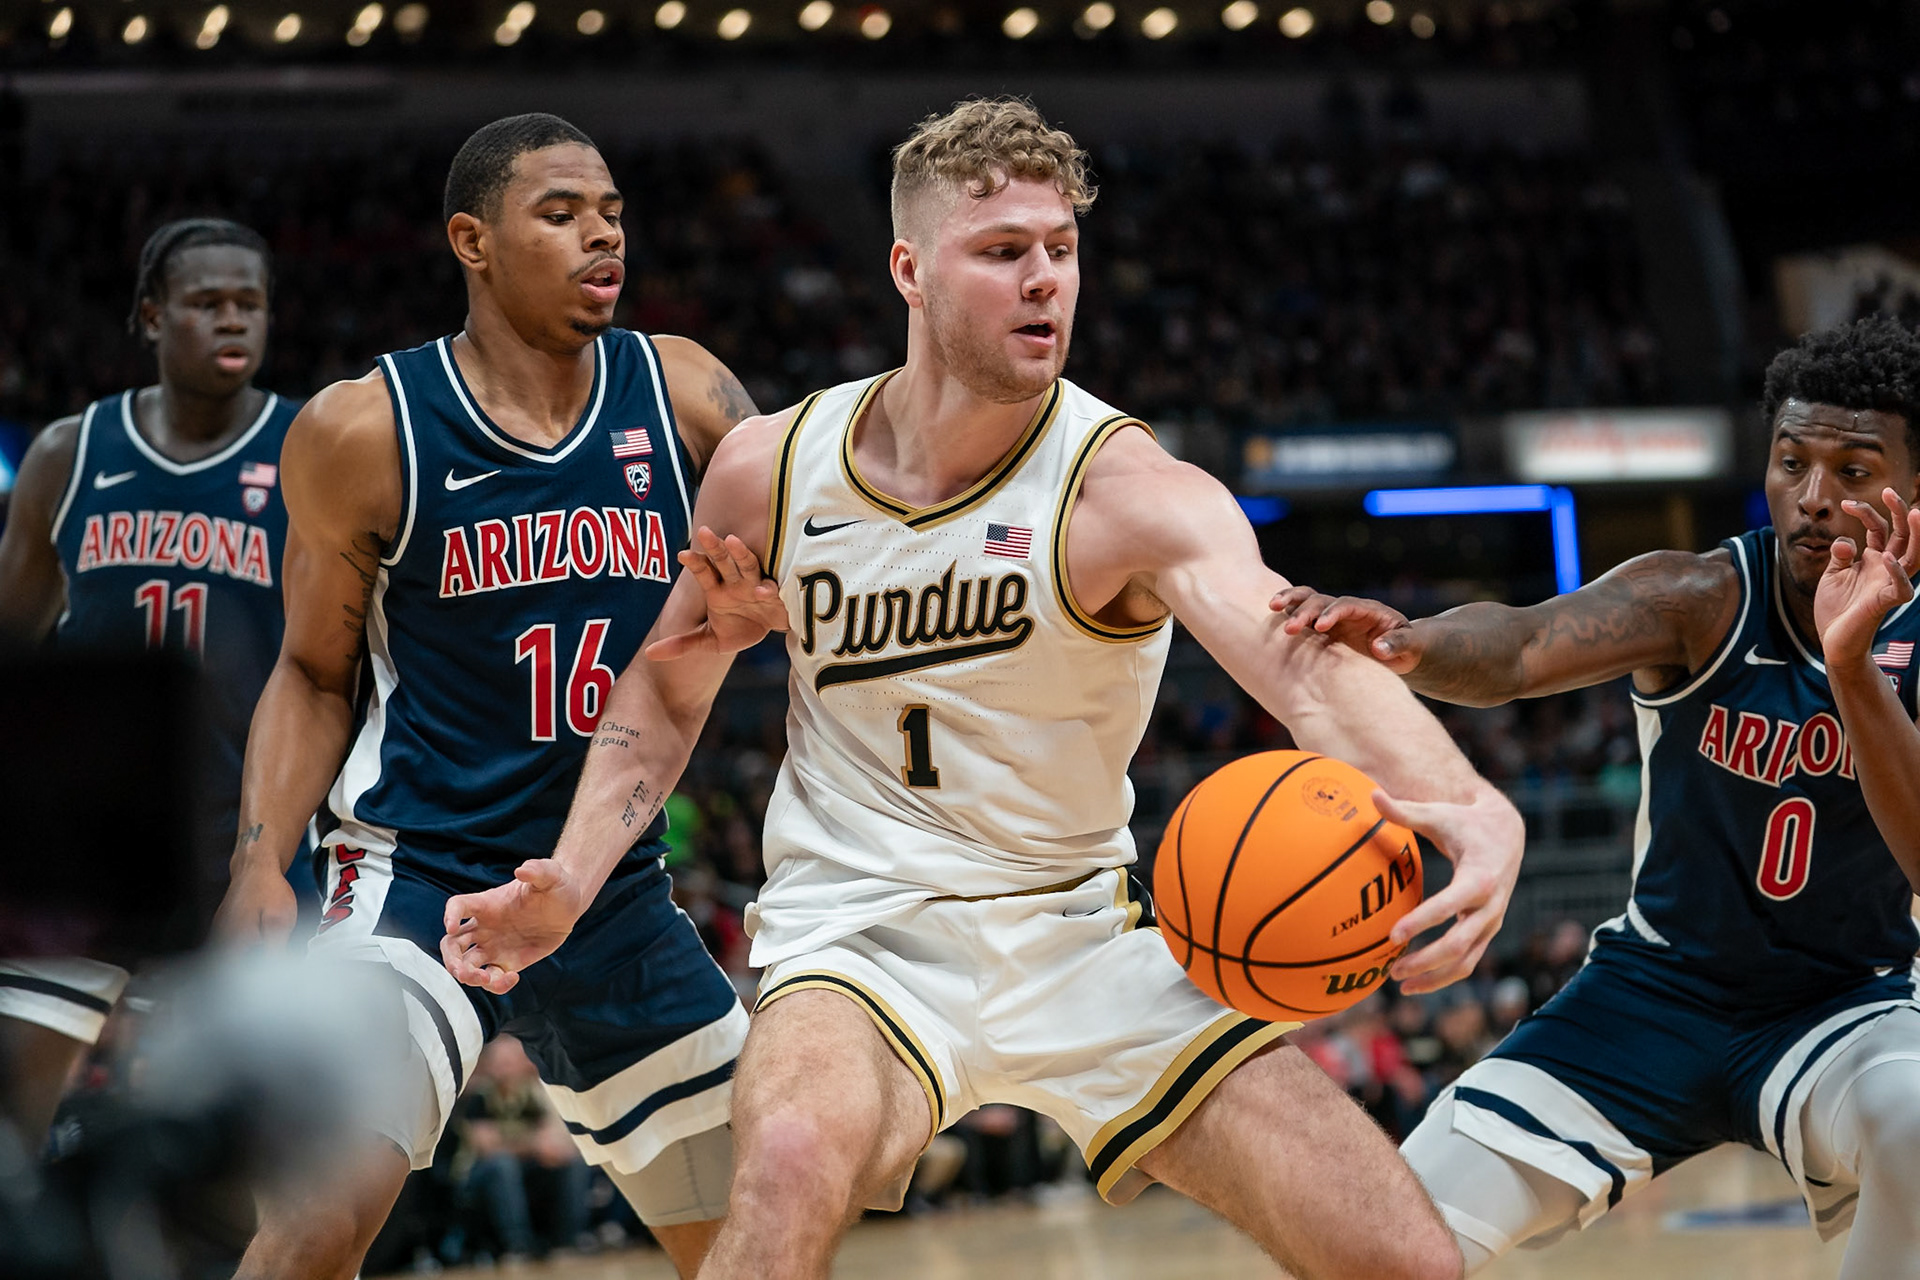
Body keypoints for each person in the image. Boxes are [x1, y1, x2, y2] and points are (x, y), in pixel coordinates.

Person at [442, 97, 1526, 1280]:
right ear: (909, 268)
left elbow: (1298, 658)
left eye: (1060, 250)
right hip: (861, 934)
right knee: (793, 1156)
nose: (1044, 281)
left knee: (1407, 1259)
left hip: (1083, 932)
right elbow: (669, 684)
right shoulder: (771, 467)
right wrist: (568, 882)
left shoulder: (1129, 489)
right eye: (1004, 251)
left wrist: (1463, 799)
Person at [211, 113, 757, 1280]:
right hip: (418, 877)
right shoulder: (364, 428)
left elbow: (808, 579)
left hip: (609, 883)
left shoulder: (688, 393)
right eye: (559, 214)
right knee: (313, 1224)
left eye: (609, 211)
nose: (600, 234)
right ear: (472, 238)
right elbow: (314, 671)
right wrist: (260, 860)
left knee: (761, 1242)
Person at [1272, 314, 1920, 1278]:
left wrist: (1852, 668)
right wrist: (1417, 644)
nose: (1814, 499)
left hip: (1846, 1003)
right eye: (1792, 463)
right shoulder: (1699, 595)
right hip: (1653, 995)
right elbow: (1526, 643)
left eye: (1854, 472)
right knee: (1384, 1240)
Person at [0, 218, 308, 1149]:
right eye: (207, 302)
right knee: (15, 1126)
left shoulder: (309, 452)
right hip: (83, 849)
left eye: (249, 304)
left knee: (246, 1168)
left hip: (238, 849)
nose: (233, 322)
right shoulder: (70, 452)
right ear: (149, 314)